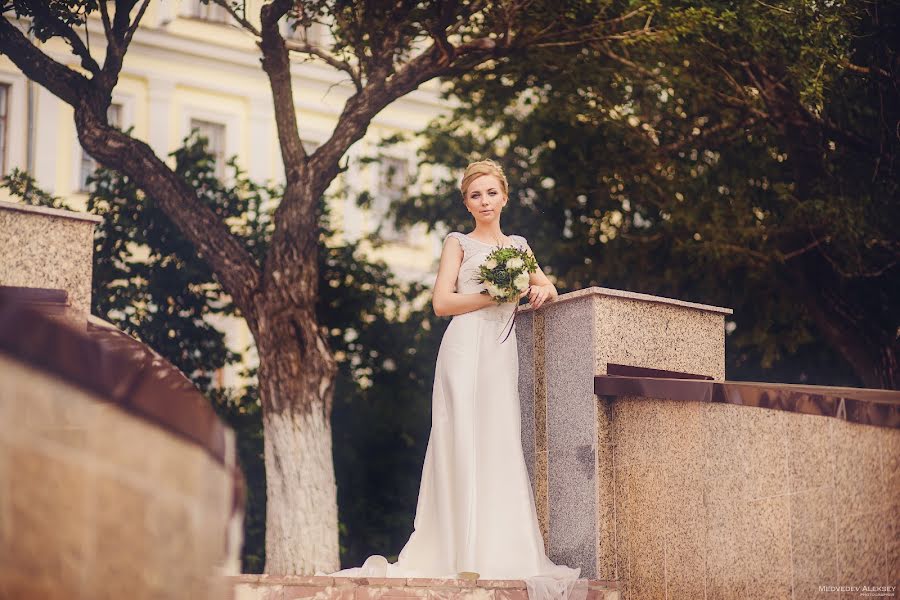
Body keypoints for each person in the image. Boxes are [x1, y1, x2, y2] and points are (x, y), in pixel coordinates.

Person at [319, 159, 586, 600]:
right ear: (466, 201)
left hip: (500, 353)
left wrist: (542, 290)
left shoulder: (518, 246)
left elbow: (548, 286)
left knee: (498, 439)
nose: (484, 201)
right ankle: (457, 551)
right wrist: (493, 295)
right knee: (459, 437)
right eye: (475, 194)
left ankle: (500, 548)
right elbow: (442, 303)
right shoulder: (457, 242)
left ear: (504, 196)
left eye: (491, 193)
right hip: (463, 348)